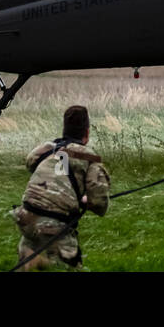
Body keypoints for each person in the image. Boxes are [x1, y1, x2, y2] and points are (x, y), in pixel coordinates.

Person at [12, 105, 111, 271]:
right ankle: (42, 262)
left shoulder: (46, 149)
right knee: (71, 267)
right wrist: (85, 200)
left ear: (65, 129)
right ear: (86, 134)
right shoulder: (90, 158)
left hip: (25, 217)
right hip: (53, 223)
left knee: (28, 263)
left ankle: (35, 261)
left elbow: (30, 162)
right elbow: (100, 204)